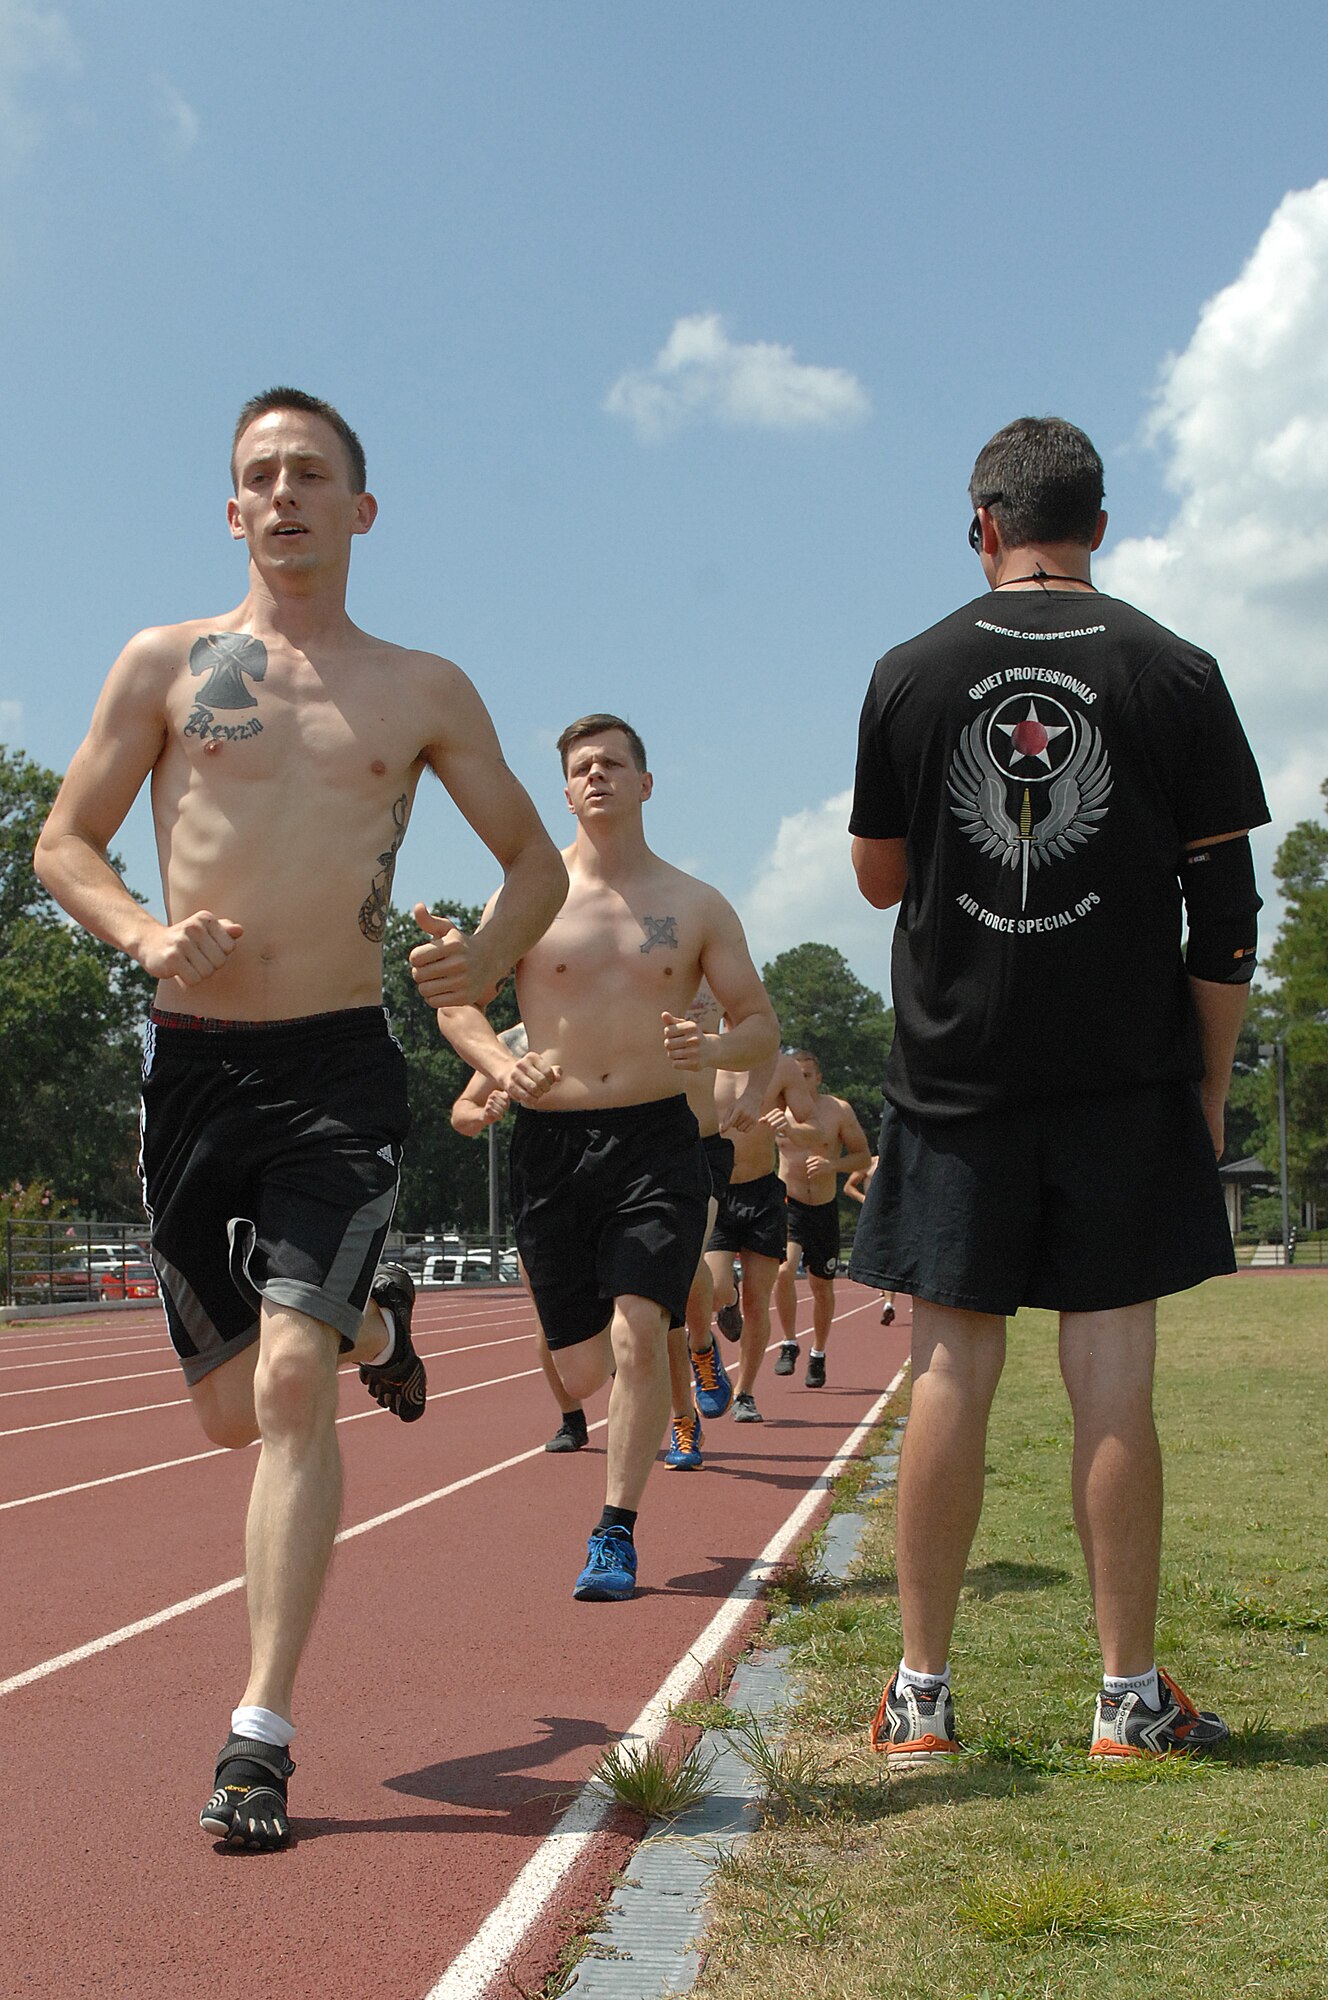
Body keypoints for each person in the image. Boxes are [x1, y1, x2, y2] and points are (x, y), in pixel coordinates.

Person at [33, 387, 567, 1848]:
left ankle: (257, 1737)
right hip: (193, 1069)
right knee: (229, 1413)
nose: (284, 495)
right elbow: (64, 840)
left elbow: (531, 862)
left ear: (360, 509)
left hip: (337, 1066)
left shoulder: (421, 688)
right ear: (231, 511)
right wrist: (146, 936)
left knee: (285, 1387)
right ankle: (376, 1328)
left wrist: (484, 960)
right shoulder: (164, 663)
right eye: (259, 476)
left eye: (310, 474)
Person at [847, 415, 1268, 1762]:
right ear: (1098, 524)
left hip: (956, 1074)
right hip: (1121, 1074)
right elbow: (1227, 910)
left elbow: (878, 876)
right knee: (1111, 1377)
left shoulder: (910, 670)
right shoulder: (1173, 668)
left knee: (948, 1368)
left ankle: (919, 1695)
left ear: (981, 526)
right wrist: (1207, 1084)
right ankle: (1127, 1697)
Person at [415, 714, 779, 1599]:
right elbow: (459, 1005)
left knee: (639, 1329)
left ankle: (615, 1530)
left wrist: (714, 1050)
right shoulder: (529, 901)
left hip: (658, 1140)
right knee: (582, 1369)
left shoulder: (696, 904)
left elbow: (759, 1026)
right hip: (552, 1145)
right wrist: (502, 1064)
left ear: (645, 783)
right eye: (581, 768)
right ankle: (647, 1383)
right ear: (565, 792)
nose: (597, 777)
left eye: (613, 763)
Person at [451, 1024, 590, 1453]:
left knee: (630, 1293)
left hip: (614, 1149)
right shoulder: (513, 1041)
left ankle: (675, 1403)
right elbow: (461, 1113)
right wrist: (484, 1114)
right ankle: (571, 1418)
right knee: (544, 1303)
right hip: (542, 1165)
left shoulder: (610, 1011)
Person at [705, 1049, 819, 1421]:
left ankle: (745, 1394)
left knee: (759, 1301)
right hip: (715, 1190)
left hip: (763, 1194)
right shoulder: (703, 1058)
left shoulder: (782, 1067)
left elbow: (814, 1128)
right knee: (715, 1289)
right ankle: (729, 1299)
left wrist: (789, 1127)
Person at [771, 1050, 871, 1387]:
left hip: (824, 1207)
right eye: (795, 1075)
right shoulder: (777, 1111)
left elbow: (862, 1156)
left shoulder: (837, 1110)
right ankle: (789, 1342)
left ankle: (818, 1353)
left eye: (807, 1075)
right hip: (789, 1203)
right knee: (784, 1270)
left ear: (818, 1078)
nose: (801, 1081)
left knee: (822, 1287)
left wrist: (833, 1166)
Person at [843, 1156, 897, 1324]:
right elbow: (848, 1187)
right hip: (876, 1216)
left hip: (896, 1214)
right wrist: (865, 1200)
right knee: (883, 1259)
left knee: (891, 1259)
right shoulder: (869, 1163)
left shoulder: (900, 1160)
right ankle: (888, 1301)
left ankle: (889, 1303)